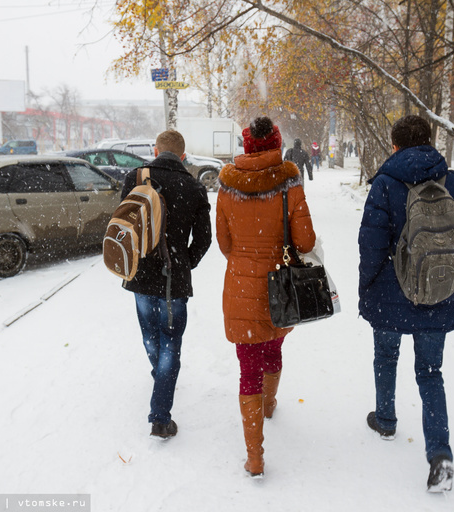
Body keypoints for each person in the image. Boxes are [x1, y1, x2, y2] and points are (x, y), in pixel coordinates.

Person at [358, 115, 454, 492]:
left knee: (386, 356)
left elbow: (372, 246)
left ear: (395, 146)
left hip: (389, 294)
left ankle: (385, 419)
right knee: (430, 373)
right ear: (429, 142)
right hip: (439, 294)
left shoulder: (385, 184)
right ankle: (440, 455)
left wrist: (369, 284)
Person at [216, 116, 316, 477]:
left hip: (242, 285)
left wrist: (246, 257)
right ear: (276, 143)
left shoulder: (227, 183)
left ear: (246, 146)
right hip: (280, 287)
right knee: (273, 346)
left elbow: (224, 243)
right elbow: (305, 242)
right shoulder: (290, 181)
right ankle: (270, 403)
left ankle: (254, 456)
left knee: (248, 368)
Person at [120, 129, 212, 440]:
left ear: (156, 150)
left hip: (138, 275)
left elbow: (121, 225)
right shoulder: (194, 187)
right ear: (183, 156)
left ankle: (160, 374)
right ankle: (160, 417)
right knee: (171, 344)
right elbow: (203, 239)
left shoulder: (135, 178)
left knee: (151, 336)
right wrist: (184, 262)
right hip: (173, 280)